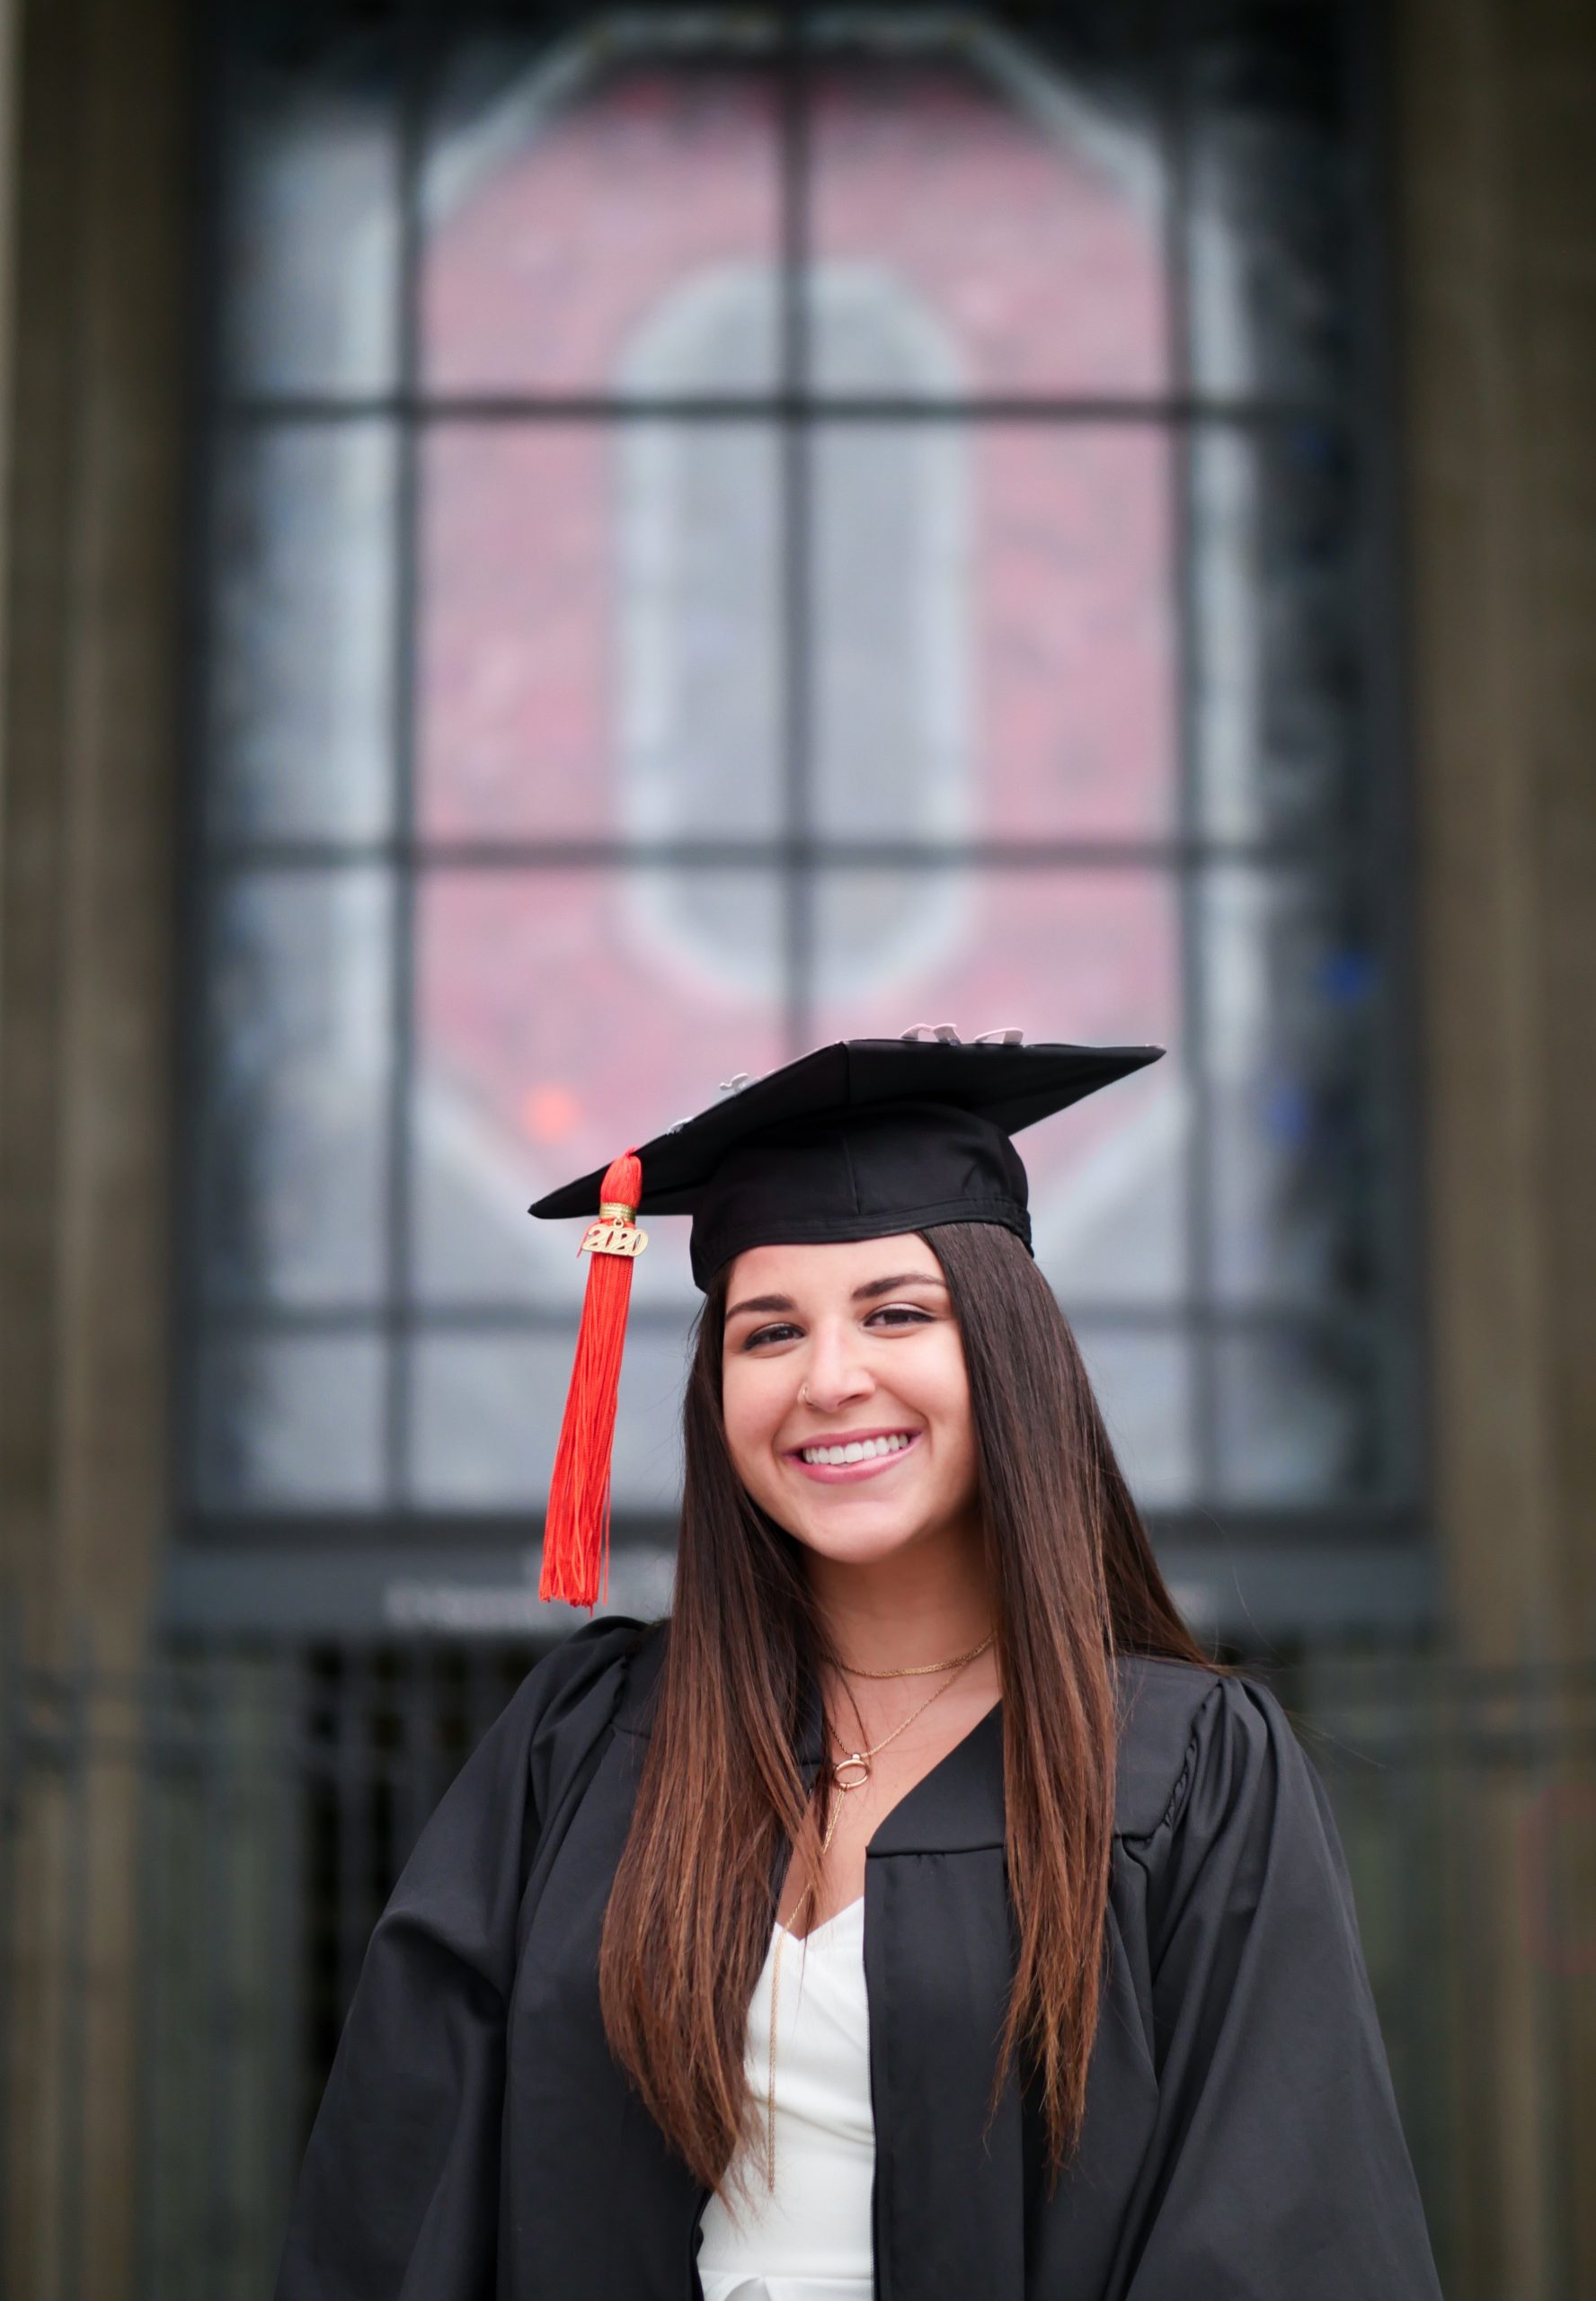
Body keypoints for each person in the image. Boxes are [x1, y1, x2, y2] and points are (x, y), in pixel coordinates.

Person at [275, 1031, 1444, 2301]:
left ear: (1007, 1353)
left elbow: (1277, 2229)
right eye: (768, 1333)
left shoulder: (1188, 1771)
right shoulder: (585, 1740)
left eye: (897, 1313)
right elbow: (399, 2185)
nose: (829, 1380)